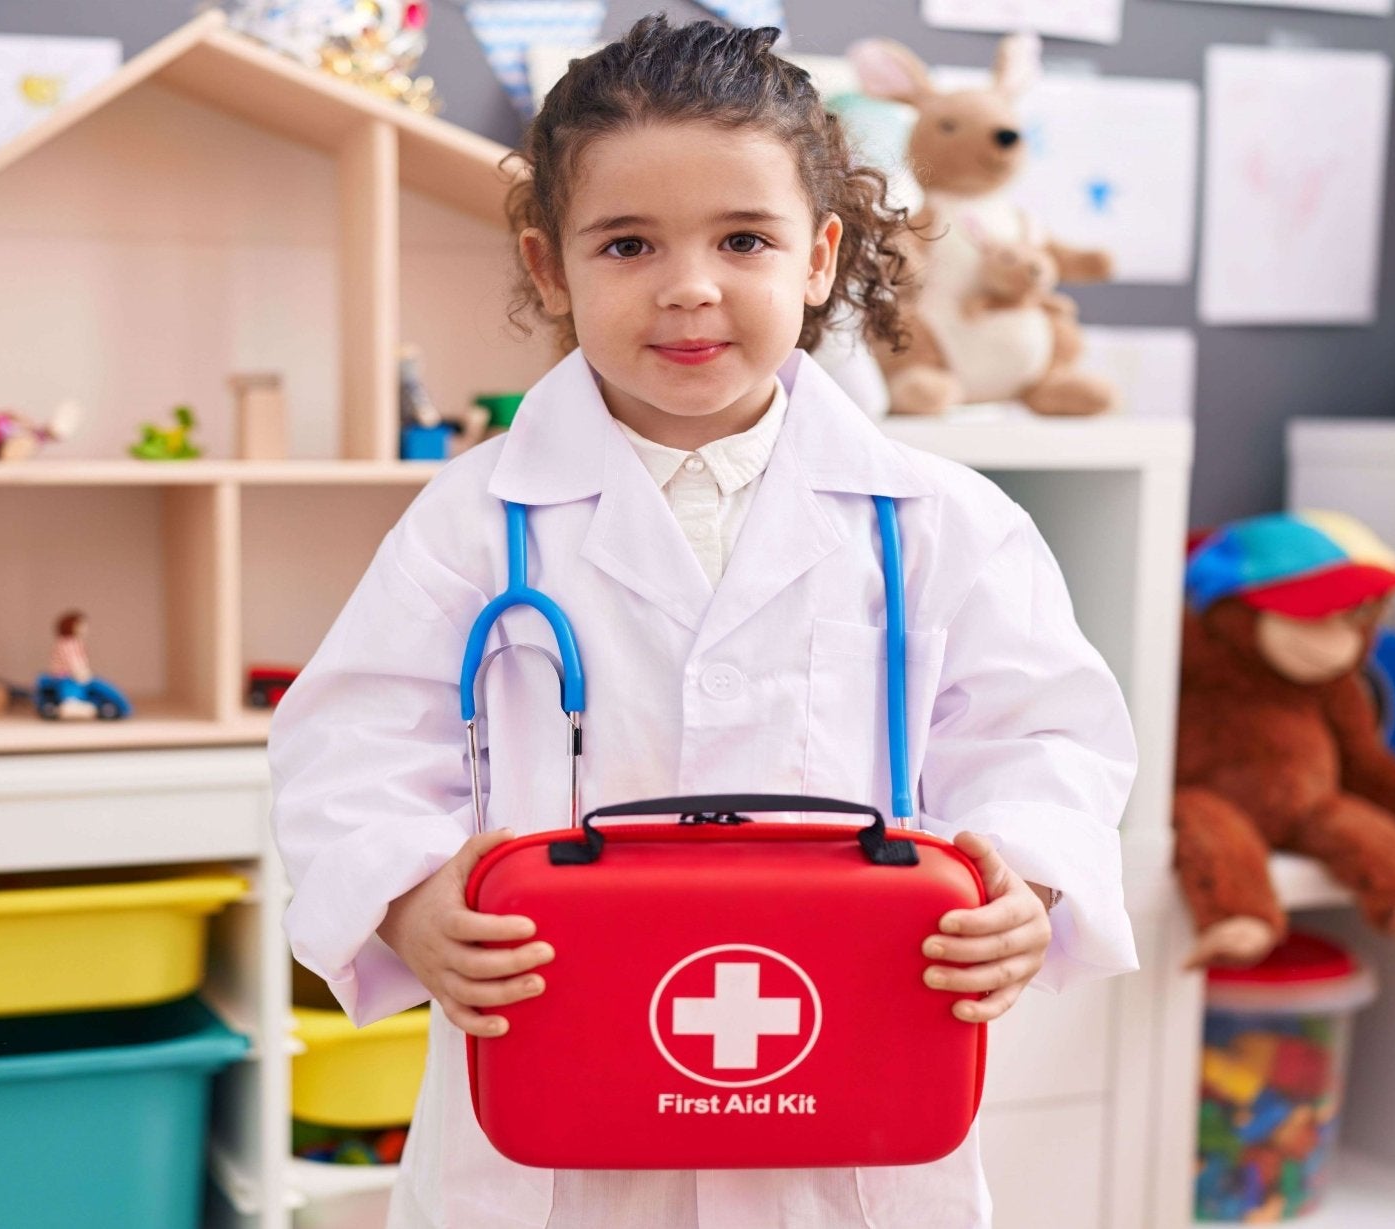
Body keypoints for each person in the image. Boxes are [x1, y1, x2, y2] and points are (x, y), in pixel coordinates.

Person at [268, 16, 1138, 1229]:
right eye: (627, 243)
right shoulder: (471, 526)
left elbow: (1045, 738)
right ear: (547, 267)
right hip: (550, 1117)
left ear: (820, 256)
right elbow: (346, 746)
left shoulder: (939, 523)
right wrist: (408, 902)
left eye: (743, 238)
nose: (688, 285)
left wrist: (1023, 880)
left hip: (842, 1108)